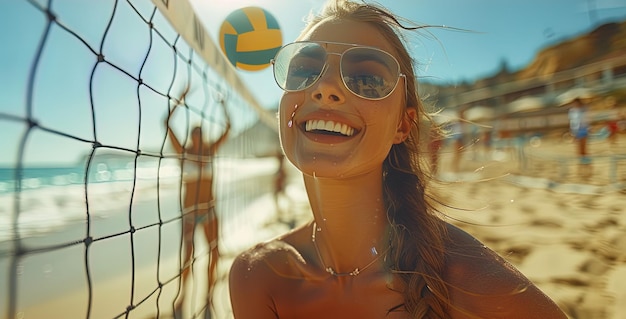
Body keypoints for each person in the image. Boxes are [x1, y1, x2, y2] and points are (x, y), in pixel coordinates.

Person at [229, 1, 567, 318]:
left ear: (403, 125)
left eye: (367, 79)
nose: (325, 86)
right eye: (304, 69)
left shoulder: (470, 282)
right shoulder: (256, 277)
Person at [165, 89, 231, 319]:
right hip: (190, 213)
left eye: (199, 134)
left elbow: (229, 127)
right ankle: (183, 296)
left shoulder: (209, 152)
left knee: (215, 253)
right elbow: (166, 122)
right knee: (188, 258)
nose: (196, 138)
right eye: (194, 134)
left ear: (202, 137)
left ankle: (208, 295)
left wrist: (222, 104)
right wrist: (179, 100)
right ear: (190, 137)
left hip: (210, 211)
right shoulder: (183, 153)